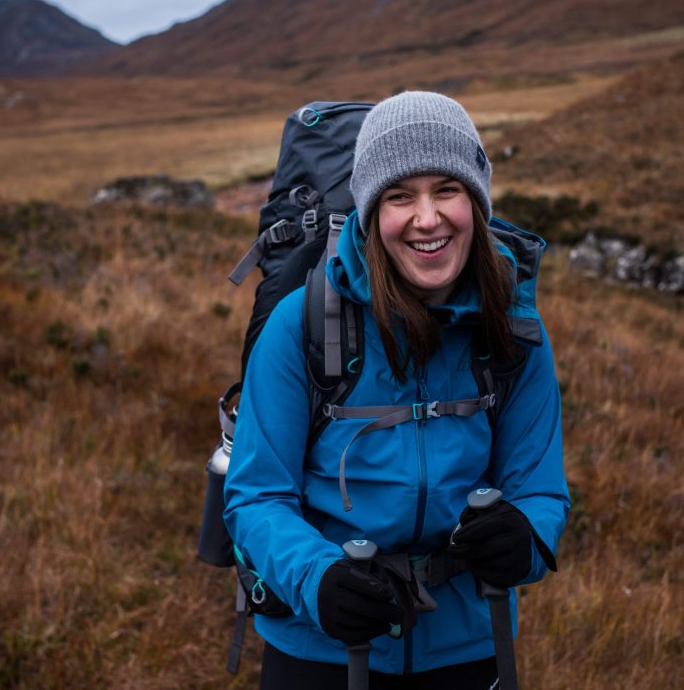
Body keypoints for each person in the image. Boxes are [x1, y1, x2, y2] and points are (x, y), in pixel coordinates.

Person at [223, 91, 569, 689]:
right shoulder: (301, 326)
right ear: (370, 211)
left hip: (468, 646)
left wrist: (528, 540)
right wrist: (319, 579)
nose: (427, 218)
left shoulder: (514, 331)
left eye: (448, 189)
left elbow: (540, 490)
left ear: (477, 202)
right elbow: (255, 497)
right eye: (400, 196)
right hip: (324, 644)